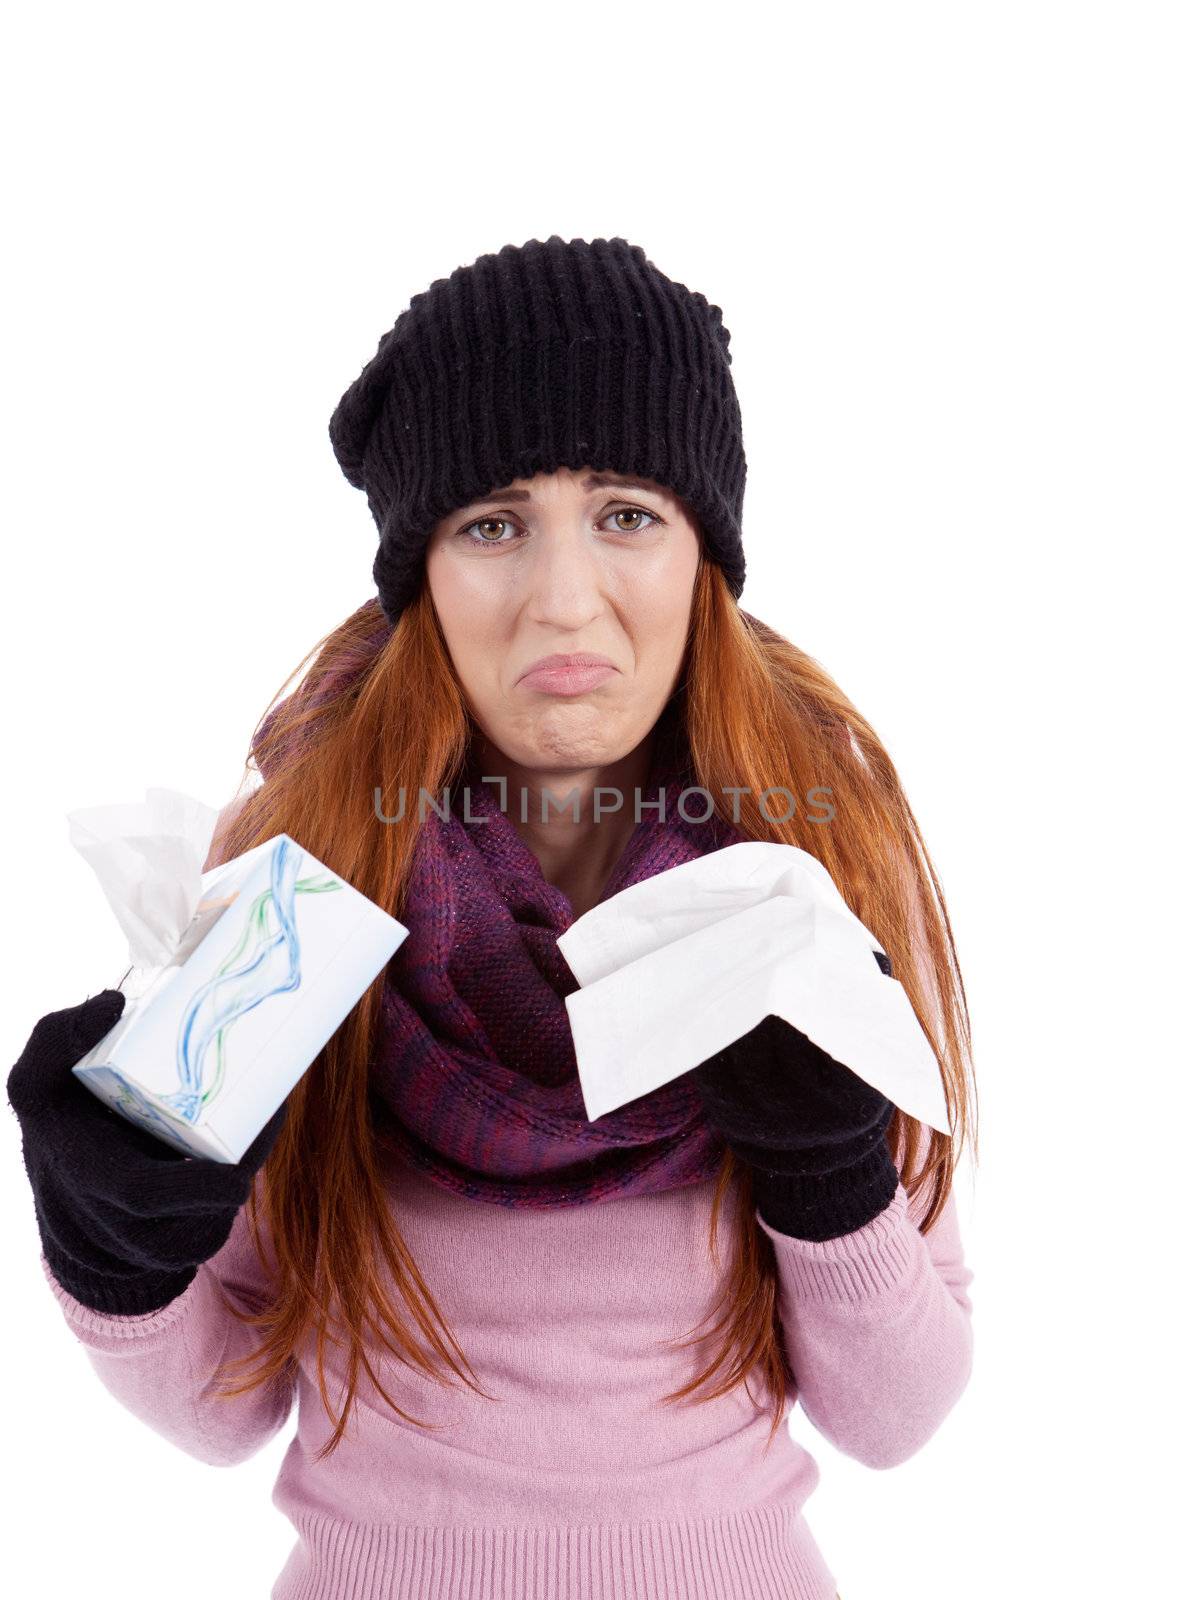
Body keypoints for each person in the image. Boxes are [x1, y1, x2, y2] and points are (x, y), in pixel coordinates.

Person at [7, 235, 976, 1600]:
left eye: (627, 512)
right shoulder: (304, 882)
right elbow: (219, 1408)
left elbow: (897, 1416)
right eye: (493, 524)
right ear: (422, 577)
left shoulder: (808, 878)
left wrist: (831, 1181)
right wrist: (114, 1253)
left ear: (706, 550)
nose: (563, 598)